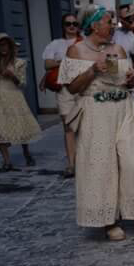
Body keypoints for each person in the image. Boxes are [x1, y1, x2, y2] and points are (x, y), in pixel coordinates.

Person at [58, 5, 134, 242]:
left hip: (124, 108)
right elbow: (72, 88)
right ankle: (109, 221)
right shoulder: (76, 51)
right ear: (94, 25)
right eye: (108, 22)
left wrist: (131, 78)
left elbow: (127, 82)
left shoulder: (119, 49)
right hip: (95, 111)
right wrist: (92, 70)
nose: (113, 25)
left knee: (133, 161)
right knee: (102, 164)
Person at [0, 33, 41, 171]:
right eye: (0, 45)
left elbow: (22, 84)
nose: (3, 48)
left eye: (6, 45)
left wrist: (12, 76)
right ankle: (7, 161)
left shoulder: (19, 62)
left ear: (10, 47)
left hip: (14, 96)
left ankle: (26, 152)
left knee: (21, 126)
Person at [42, 13, 81, 176]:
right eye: (68, 23)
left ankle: (85, 161)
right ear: (63, 26)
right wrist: (66, 61)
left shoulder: (84, 42)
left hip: (82, 86)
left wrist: (62, 61)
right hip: (64, 88)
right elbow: (47, 63)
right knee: (68, 127)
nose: (71, 26)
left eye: (74, 23)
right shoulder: (55, 44)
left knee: (85, 125)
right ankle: (71, 164)